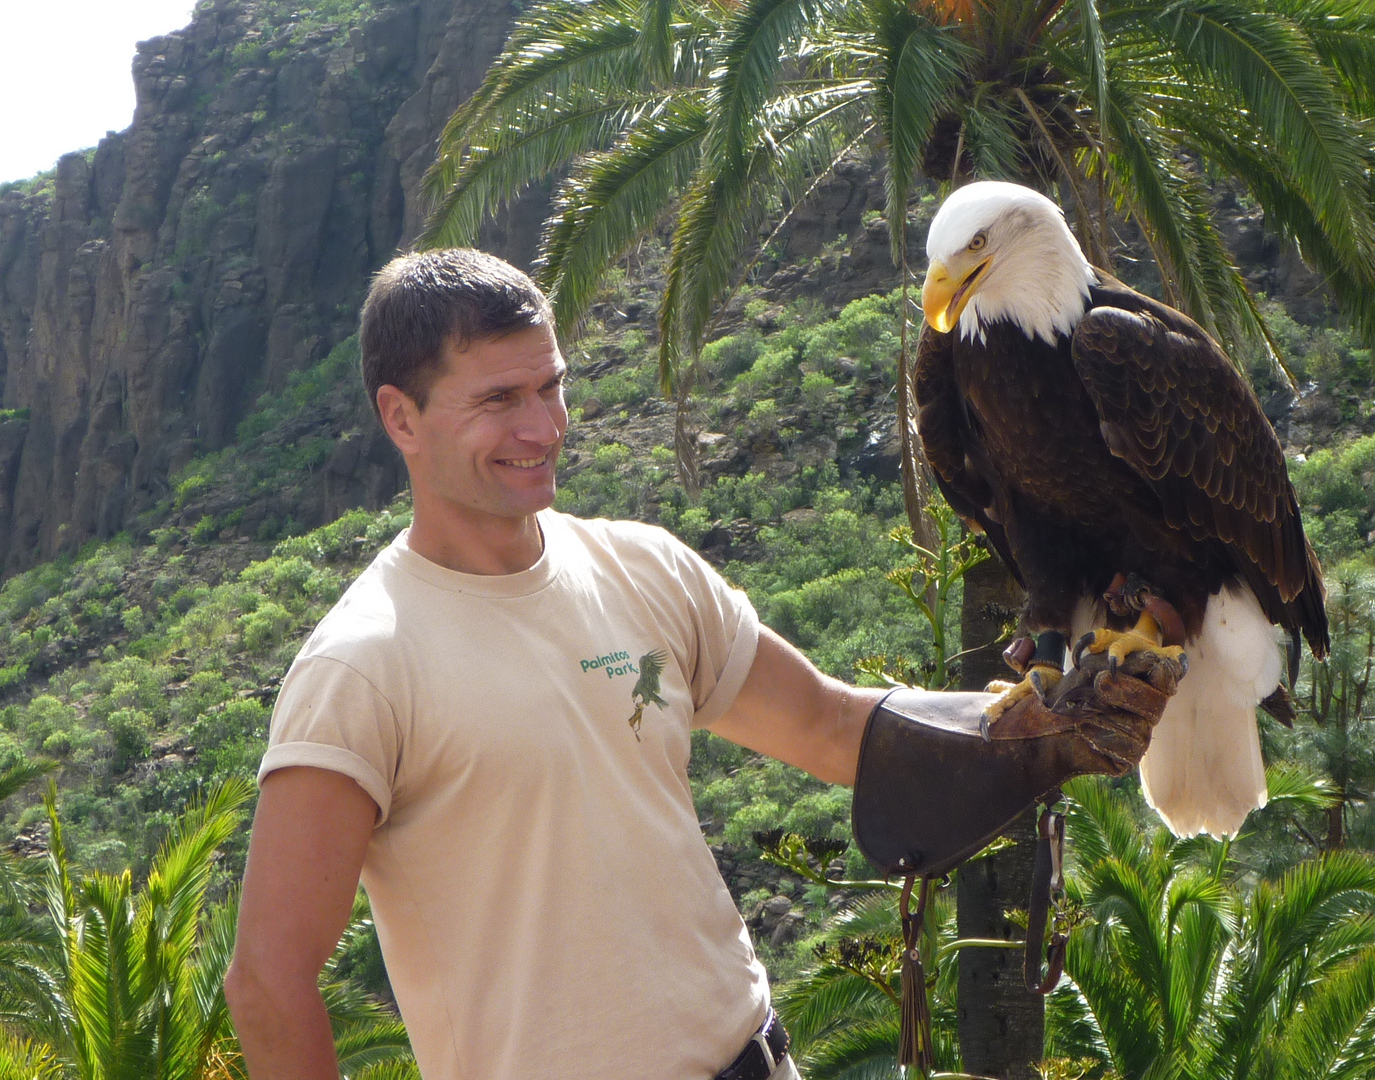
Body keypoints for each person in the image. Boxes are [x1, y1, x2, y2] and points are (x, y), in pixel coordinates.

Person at [223, 248, 1178, 1080]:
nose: (544, 427)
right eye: (498, 400)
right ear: (402, 417)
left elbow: (834, 725)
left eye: (551, 385)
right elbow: (269, 979)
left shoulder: (641, 567)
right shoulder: (363, 665)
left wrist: (1037, 726)